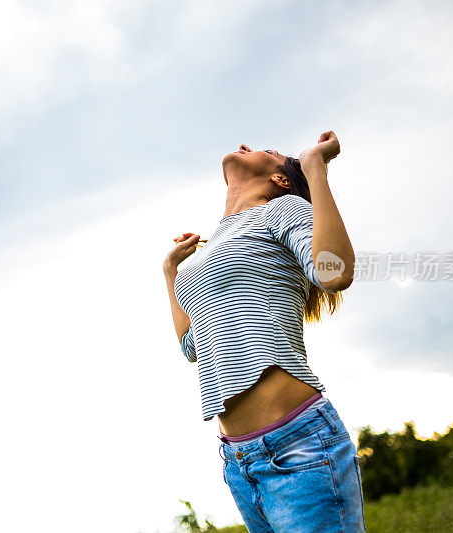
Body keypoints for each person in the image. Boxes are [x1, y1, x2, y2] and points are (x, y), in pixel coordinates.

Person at [162, 131, 365, 532]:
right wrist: (171, 274)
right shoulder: (213, 245)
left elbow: (334, 272)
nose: (245, 143)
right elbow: (192, 346)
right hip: (240, 461)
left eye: (266, 151)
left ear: (281, 179)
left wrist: (313, 166)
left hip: (299, 445)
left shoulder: (279, 210)